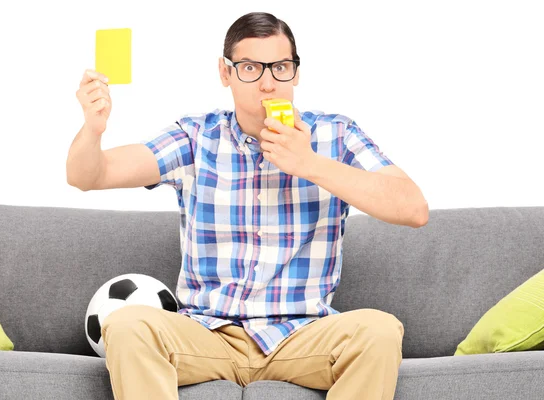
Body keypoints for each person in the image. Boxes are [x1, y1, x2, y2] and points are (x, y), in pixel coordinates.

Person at [67, 11, 428, 400]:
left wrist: (310, 165)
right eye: (251, 68)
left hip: (303, 336)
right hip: (206, 335)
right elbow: (89, 176)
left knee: (379, 330)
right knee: (127, 324)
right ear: (226, 74)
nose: (268, 83)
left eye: (281, 67)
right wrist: (93, 129)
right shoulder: (195, 137)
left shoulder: (334, 134)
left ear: (297, 72)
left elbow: (413, 208)